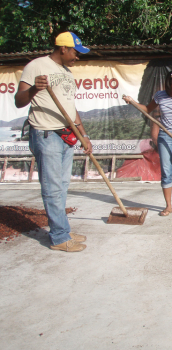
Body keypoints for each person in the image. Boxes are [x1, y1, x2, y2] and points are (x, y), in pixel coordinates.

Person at [14, 32, 93, 252]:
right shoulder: (36, 66)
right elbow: (19, 101)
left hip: (66, 135)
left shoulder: (67, 73)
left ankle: (63, 230)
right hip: (46, 134)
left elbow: (71, 108)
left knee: (62, 186)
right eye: (76, 52)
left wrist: (83, 135)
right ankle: (59, 237)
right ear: (63, 49)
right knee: (52, 188)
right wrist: (33, 89)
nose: (77, 57)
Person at [124, 71, 172, 217]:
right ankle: (168, 207)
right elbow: (147, 109)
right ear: (168, 85)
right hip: (165, 136)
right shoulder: (160, 96)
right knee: (166, 171)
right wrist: (132, 102)